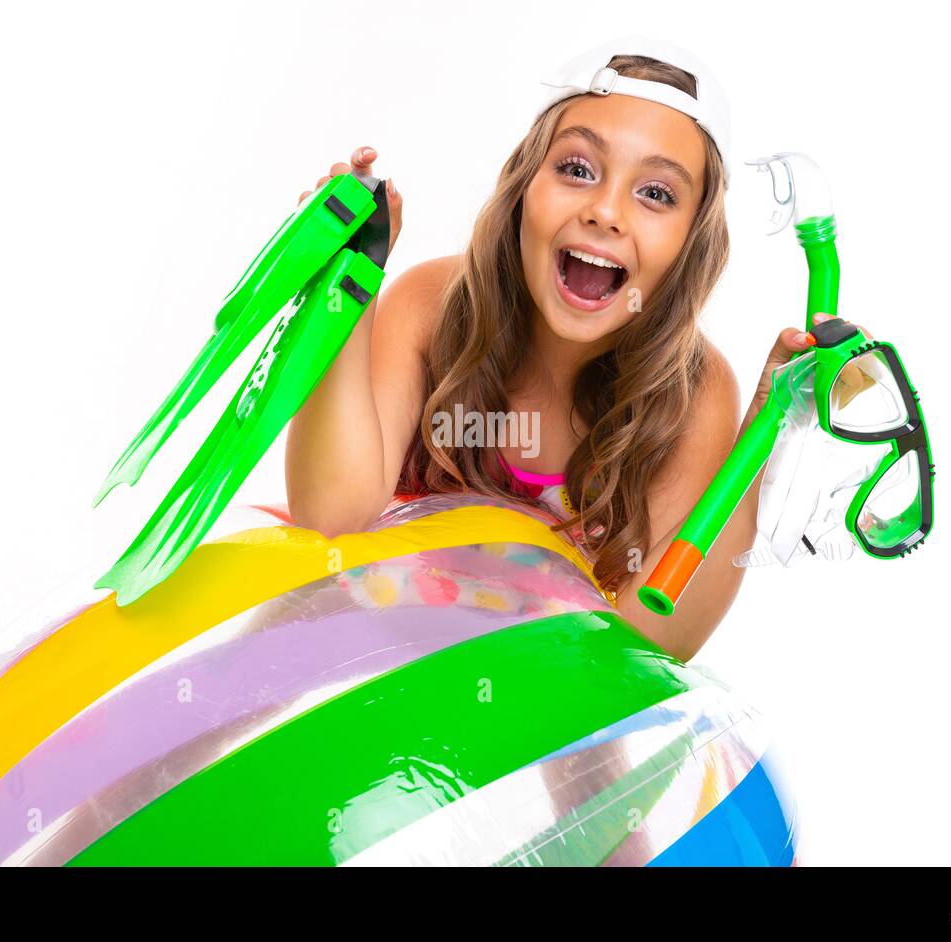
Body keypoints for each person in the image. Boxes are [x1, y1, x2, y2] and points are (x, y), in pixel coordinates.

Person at [285, 36, 825, 662]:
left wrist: (758, 441)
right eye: (577, 169)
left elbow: (651, 649)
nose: (605, 211)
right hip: (382, 660)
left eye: (656, 194)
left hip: (547, 716)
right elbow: (330, 513)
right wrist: (347, 295)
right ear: (523, 188)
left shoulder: (694, 393)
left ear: (691, 245)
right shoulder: (431, 306)